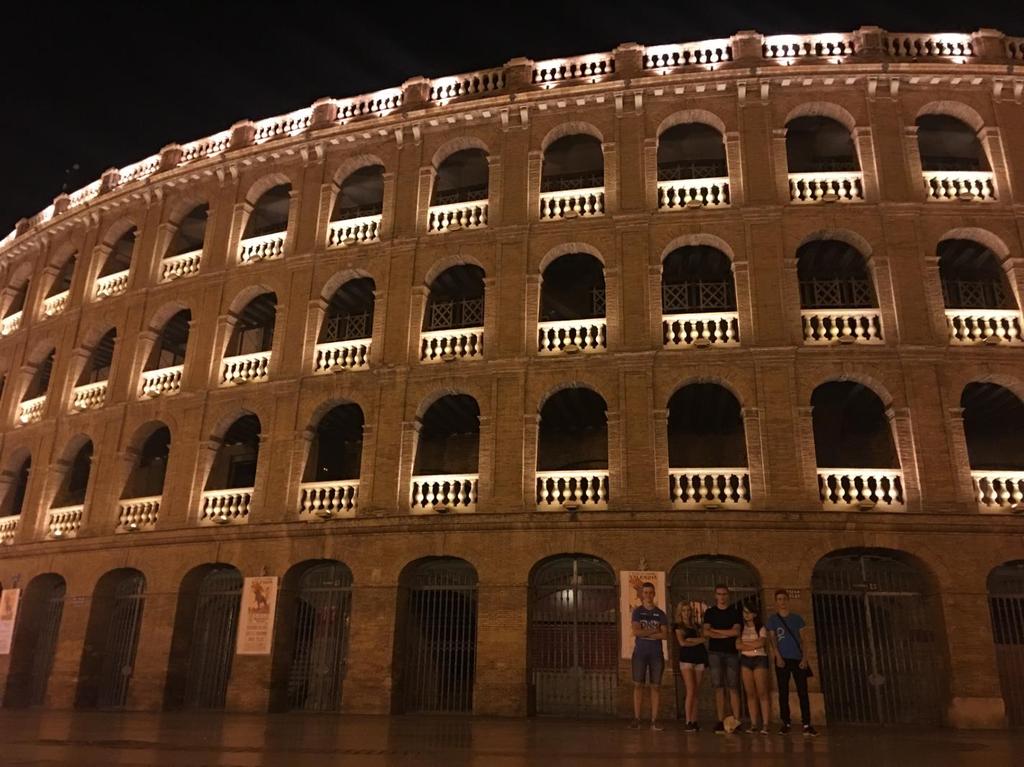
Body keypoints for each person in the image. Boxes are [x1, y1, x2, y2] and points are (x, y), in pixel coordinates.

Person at [766, 589, 818, 737]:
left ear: (788, 600)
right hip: (782, 659)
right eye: (779, 599)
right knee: (783, 692)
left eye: (784, 599)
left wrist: (805, 658)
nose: (782, 602)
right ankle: (786, 722)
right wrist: (778, 656)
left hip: (797, 658)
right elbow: (772, 639)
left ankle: (807, 723)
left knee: (803, 691)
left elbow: (803, 639)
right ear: (776, 602)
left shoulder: (797, 619)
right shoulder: (773, 620)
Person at [702, 584, 742, 734]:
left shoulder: (735, 612)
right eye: (719, 594)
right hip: (714, 653)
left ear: (728, 596)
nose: (722, 597)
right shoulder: (710, 612)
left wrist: (716, 632)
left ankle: (736, 720)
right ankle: (720, 720)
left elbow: (736, 631)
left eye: (725, 594)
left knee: (733, 686)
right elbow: (706, 632)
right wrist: (727, 634)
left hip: (731, 653)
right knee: (718, 687)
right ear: (715, 596)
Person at [630, 581, 669, 731]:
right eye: (645, 592)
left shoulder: (660, 613)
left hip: (656, 654)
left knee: (655, 687)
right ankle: (637, 719)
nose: (647, 595)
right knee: (638, 685)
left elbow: (665, 635)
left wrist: (645, 631)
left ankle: (654, 721)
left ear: (654, 594)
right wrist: (655, 631)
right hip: (640, 653)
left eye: (650, 592)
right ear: (642, 594)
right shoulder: (637, 612)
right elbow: (636, 632)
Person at [736, 602, 771, 734]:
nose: (746, 615)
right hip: (745, 660)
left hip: (759, 659)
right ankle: (754, 724)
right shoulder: (741, 628)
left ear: (754, 614)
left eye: (748, 612)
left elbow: (761, 642)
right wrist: (753, 646)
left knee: (762, 691)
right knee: (750, 693)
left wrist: (747, 646)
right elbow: (737, 645)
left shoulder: (760, 627)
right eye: (744, 612)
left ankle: (766, 724)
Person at [674, 600, 707, 732]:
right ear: (680, 612)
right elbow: (682, 643)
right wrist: (696, 641)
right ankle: (688, 720)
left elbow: (704, 639)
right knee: (691, 689)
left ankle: (694, 720)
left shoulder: (696, 627)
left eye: (688, 610)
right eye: (684, 610)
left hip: (699, 658)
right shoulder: (678, 627)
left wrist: (691, 640)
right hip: (686, 659)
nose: (687, 613)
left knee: (696, 691)